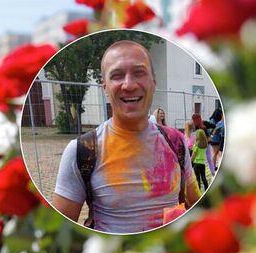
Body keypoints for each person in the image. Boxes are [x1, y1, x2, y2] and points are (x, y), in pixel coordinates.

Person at [52, 40, 201, 233]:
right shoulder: (82, 151)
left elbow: (197, 203)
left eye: (139, 73)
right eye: (117, 75)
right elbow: (59, 234)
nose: (129, 85)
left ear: (153, 83)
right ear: (104, 87)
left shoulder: (176, 141)